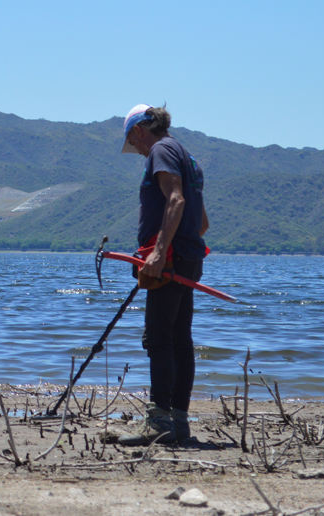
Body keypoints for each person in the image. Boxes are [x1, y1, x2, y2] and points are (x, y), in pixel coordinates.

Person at [117, 104, 209, 445]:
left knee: (157, 337)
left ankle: (159, 422)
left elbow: (176, 200)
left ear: (139, 130)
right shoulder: (188, 157)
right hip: (187, 257)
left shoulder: (160, 150)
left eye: (133, 143)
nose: (138, 151)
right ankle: (179, 422)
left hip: (168, 260)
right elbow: (202, 223)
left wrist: (157, 252)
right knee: (179, 338)